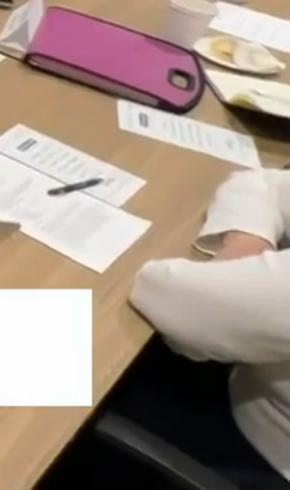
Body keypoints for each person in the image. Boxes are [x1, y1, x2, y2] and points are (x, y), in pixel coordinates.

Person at [129, 168, 290, 488]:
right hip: (251, 380)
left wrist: (231, 289)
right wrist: (249, 239)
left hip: (260, 451)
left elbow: (160, 295)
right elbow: (262, 180)